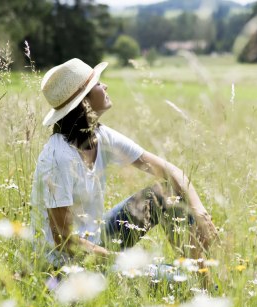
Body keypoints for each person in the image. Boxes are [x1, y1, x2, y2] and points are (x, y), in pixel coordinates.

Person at [31, 58, 217, 269]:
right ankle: (190, 282)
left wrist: (200, 214)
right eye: (98, 85)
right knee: (174, 281)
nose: (105, 86)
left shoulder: (100, 135)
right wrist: (119, 260)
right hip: (66, 265)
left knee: (166, 193)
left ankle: (201, 281)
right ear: (85, 101)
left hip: (96, 239)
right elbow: (64, 240)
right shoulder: (58, 158)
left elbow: (169, 171)